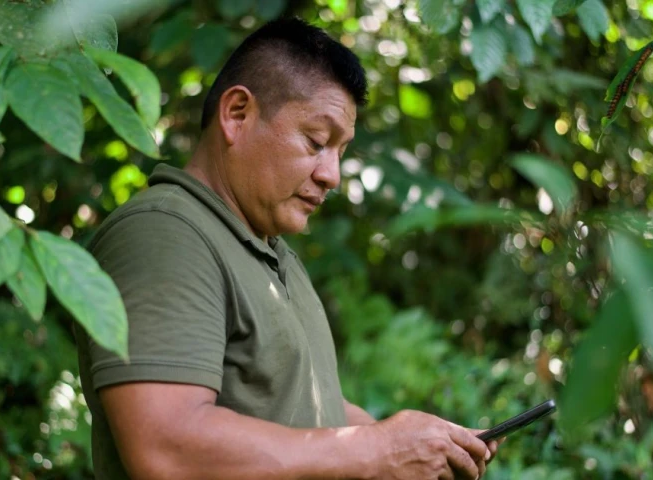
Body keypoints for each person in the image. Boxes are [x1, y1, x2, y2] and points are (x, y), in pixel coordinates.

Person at [75, 17, 500, 480]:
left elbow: (304, 403)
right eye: (317, 141)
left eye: (340, 151)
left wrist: (423, 445)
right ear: (237, 113)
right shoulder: (164, 234)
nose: (331, 175)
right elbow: (166, 447)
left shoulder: (269, 248)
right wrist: (378, 450)